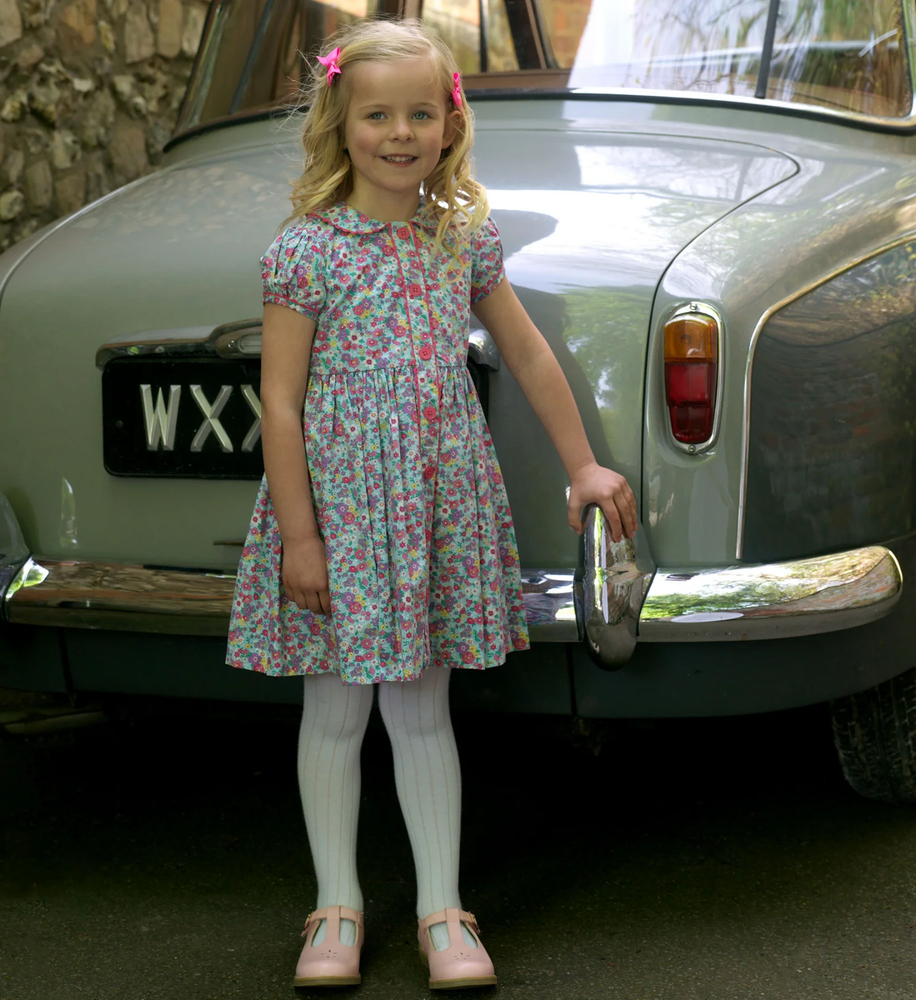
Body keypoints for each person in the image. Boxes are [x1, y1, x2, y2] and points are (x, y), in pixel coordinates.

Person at [226, 17, 637, 991]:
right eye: (377, 114)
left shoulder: (461, 234)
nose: (399, 133)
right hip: (339, 509)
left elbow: (528, 353)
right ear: (342, 119)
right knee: (333, 708)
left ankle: (441, 912)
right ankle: (335, 907)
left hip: (429, 503)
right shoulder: (306, 250)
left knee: (421, 711)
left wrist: (584, 465)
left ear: (450, 123)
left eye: (420, 113)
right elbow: (278, 404)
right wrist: (299, 535)